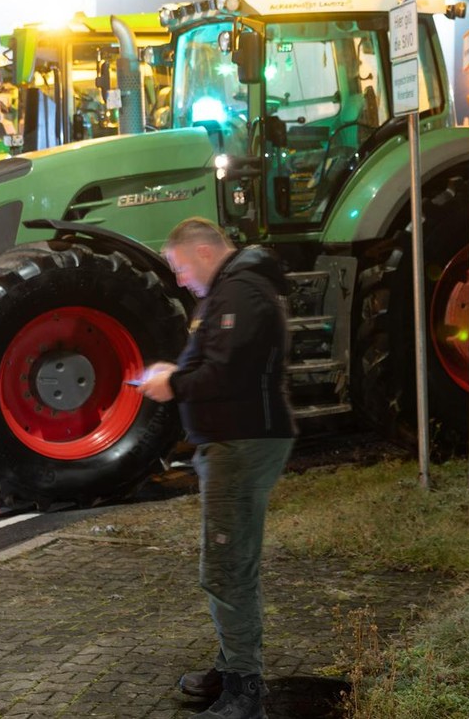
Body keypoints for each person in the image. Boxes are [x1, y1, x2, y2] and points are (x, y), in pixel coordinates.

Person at [138, 217, 297, 719]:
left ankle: (243, 689)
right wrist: (177, 372)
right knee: (234, 564)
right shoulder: (237, 291)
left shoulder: (239, 294)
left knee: (226, 569)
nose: (181, 279)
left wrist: (174, 384)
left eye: (181, 267)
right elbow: (224, 362)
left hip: (239, 445)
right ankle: (231, 666)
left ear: (204, 251)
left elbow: (228, 373)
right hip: (236, 442)